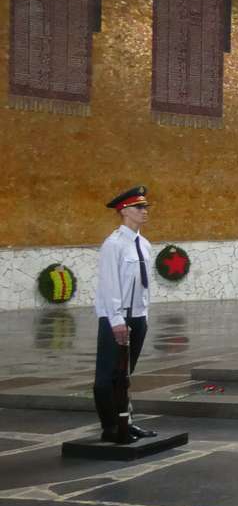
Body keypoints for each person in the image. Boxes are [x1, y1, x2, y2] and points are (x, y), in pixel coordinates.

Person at [92, 185, 157, 443]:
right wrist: (117, 320)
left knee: (125, 376)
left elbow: (143, 286)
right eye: (139, 207)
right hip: (117, 318)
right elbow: (110, 285)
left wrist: (144, 317)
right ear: (124, 210)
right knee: (108, 375)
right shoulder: (114, 244)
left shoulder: (144, 244)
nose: (144, 211)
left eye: (145, 207)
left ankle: (126, 423)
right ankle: (110, 427)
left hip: (138, 316)